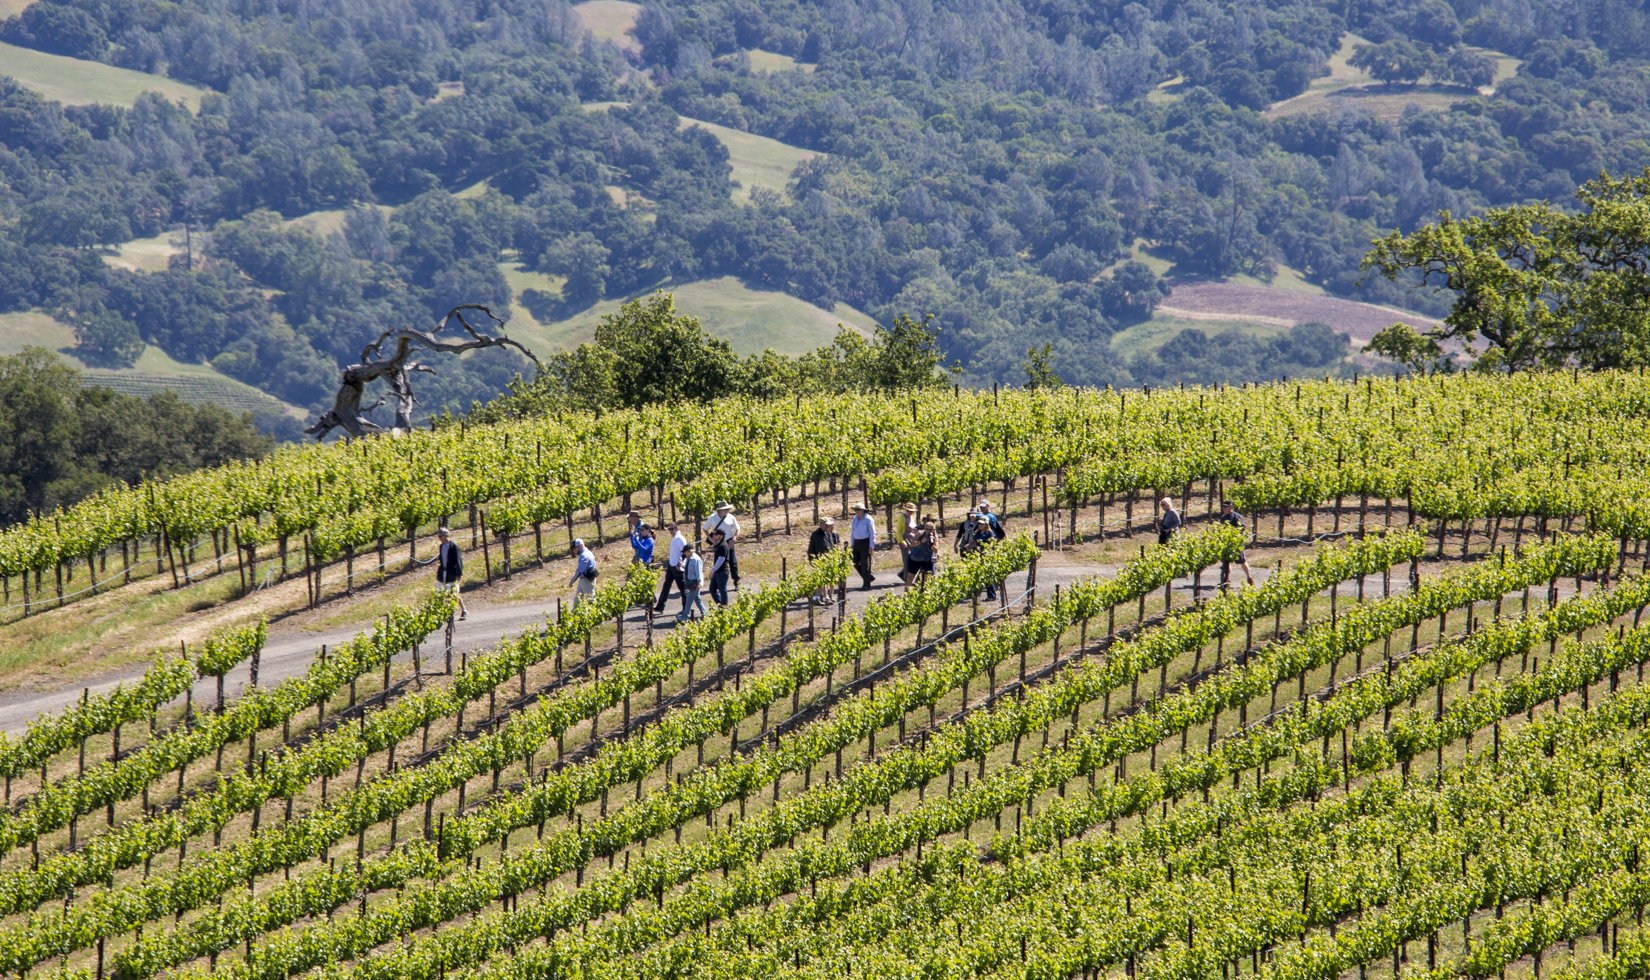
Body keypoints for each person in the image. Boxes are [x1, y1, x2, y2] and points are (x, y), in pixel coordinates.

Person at [955, 511, 999, 600]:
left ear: (986, 524)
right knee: (977, 575)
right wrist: (968, 546)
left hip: (986, 556)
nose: (980, 525)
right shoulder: (978, 533)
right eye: (979, 524)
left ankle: (991, 595)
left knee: (987, 576)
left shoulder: (989, 533)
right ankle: (974, 595)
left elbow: (991, 543)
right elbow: (973, 542)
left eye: (982, 524)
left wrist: (987, 550)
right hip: (978, 555)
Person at [1217, 500, 1257, 586]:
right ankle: (1226, 580)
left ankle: (1249, 577)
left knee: (1242, 561)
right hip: (1227, 542)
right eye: (1223, 507)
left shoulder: (1236, 516)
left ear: (1231, 507)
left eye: (1226, 507)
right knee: (1226, 562)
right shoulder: (1223, 518)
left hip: (1237, 542)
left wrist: (1235, 535)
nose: (1224, 508)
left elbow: (1242, 527)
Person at [702, 501, 741, 589]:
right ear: (720, 510)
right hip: (718, 543)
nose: (727, 510)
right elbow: (705, 529)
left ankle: (736, 582)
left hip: (729, 542)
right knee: (718, 563)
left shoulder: (731, 517)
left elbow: (737, 529)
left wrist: (734, 539)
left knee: (732, 562)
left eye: (728, 509)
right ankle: (717, 583)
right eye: (725, 509)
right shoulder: (712, 518)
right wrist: (711, 539)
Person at [433, 527, 469, 620]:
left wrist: (458, 574)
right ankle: (445, 613)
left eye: (440, 536)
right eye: (438, 536)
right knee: (440, 593)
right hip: (442, 573)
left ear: (446, 535)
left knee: (454, 594)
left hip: (451, 573)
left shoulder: (454, 547)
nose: (439, 538)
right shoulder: (441, 546)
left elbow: (459, 561)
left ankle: (464, 610)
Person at [654, 522, 688, 613]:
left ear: (677, 528)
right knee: (666, 586)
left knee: (683, 589)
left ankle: (686, 609)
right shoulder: (674, 539)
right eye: (669, 529)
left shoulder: (680, 539)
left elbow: (686, 552)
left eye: (672, 529)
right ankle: (660, 606)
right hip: (671, 566)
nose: (670, 531)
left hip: (678, 567)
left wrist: (680, 563)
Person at [807, 516, 839, 605]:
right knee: (823, 580)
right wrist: (812, 560)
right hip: (820, 560)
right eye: (826, 525)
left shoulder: (828, 534)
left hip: (829, 559)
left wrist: (834, 556)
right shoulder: (815, 535)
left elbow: (832, 546)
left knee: (825, 579)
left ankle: (819, 598)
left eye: (829, 525)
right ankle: (825, 598)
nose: (828, 527)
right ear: (821, 524)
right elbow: (811, 549)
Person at [849, 502, 878, 589]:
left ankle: (866, 584)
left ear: (862, 510)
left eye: (858, 510)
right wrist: (852, 544)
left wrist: (871, 546)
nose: (856, 512)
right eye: (855, 510)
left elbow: (873, 533)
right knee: (854, 562)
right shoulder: (855, 519)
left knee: (865, 564)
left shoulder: (869, 519)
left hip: (865, 542)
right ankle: (868, 578)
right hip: (856, 542)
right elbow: (852, 532)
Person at [677, 543, 706, 622]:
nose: (684, 553)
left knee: (689, 599)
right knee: (697, 599)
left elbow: (698, 572)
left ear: (690, 551)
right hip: (691, 582)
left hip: (695, 583)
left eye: (685, 551)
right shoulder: (689, 559)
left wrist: (699, 583)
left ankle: (685, 616)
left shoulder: (696, 559)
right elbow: (688, 570)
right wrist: (681, 566)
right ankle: (704, 614)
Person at [906, 517, 937, 588]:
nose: (928, 531)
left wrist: (932, 544)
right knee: (910, 577)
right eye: (927, 529)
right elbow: (912, 544)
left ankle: (923, 595)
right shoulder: (920, 534)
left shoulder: (934, 537)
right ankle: (906, 595)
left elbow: (936, 550)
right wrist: (921, 541)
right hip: (915, 557)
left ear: (933, 530)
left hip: (926, 559)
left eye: (930, 529)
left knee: (926, 580)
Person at [568, 538, 597, 607]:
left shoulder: (584, 555)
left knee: (590, 600)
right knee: (577, 600)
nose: (574, 550)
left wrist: (572, 581)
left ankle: (596, 615)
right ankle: (575, 615)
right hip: (584, 580)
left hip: (586, 580)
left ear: (580, 546)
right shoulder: (588, 553)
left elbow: (580, 570)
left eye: (575, 548)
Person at [708, 530, 732, 606]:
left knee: (722, 591)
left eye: (716, 535)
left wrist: (713, 570)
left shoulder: (723, 546)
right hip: (717, 572)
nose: (714, 536)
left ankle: (724, 608)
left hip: (722, 572)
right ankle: (721, 606)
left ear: (721, 536)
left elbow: (721, 559)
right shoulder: (718, 545)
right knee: (712, 590)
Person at [897, 501, 919, 585]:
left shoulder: (911, 517)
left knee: (914, 558)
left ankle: (903, 574)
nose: (909, 512)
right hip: (905, 540)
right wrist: (902, 541)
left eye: (911, 511)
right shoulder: (902, 517)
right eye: (908, 510)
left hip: (912, 540)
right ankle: (906, 579)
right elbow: (898, 531)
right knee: (906, 560)